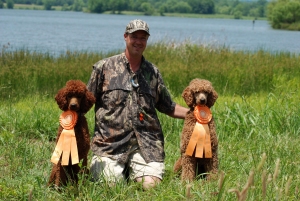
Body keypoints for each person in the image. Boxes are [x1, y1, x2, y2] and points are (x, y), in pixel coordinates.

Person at [87, 19, 189, 189]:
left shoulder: (153, 72)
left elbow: (168, 106)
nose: (138, 42)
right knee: (110, 186)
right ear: (125, 37)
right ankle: (120, 170)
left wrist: (198, 114)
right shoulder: (104, 68)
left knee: (150, 187)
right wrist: (70, 119)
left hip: (146, 145)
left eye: (143, 38)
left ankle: (133, 169)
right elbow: (85, 102)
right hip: (109, 145)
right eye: (135, 36)